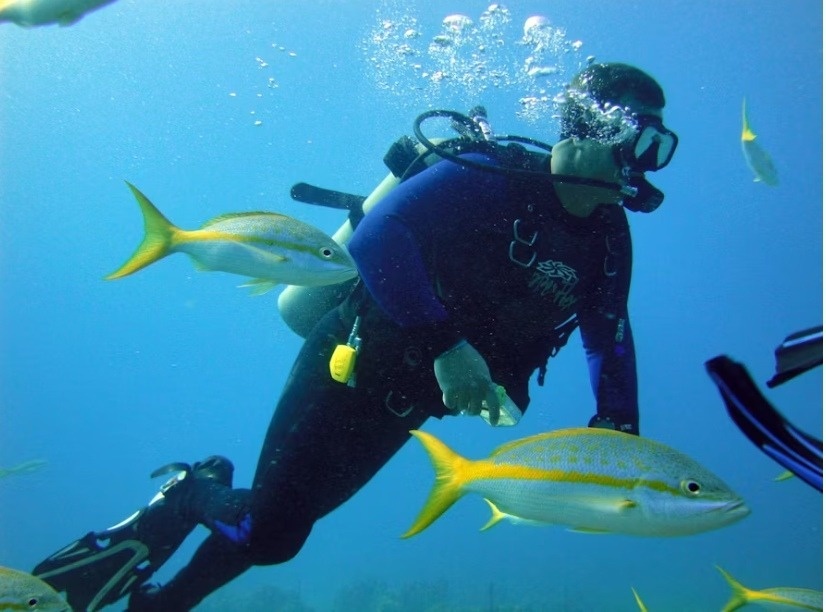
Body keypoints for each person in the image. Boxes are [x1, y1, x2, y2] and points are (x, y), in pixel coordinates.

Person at [32, 62, 679, 611]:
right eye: (648, 142)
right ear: (601, 126)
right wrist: (449, 349)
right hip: (351, 361)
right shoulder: (490, 175)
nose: (651, 166)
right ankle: (188, 493)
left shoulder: (610, 238)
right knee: (273, 530)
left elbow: (608, 333)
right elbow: (377, 239)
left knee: (280, 528)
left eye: (661, 149)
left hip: (410, 403)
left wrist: (619, 429)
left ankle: (160, 604)